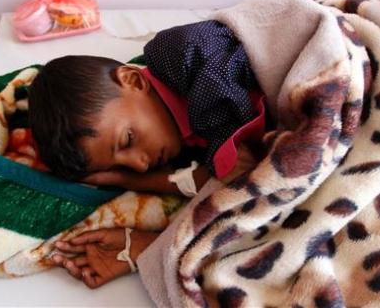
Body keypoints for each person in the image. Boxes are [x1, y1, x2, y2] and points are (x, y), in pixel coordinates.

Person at [28, 20, 269, 288]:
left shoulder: (177, 55)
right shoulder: (177, 140)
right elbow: (216, 186)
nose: (141, 165)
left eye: (127, 140)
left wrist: (226, 157)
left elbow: (239, 179)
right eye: (123, 166)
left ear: (132, 79)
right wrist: (127, 181)